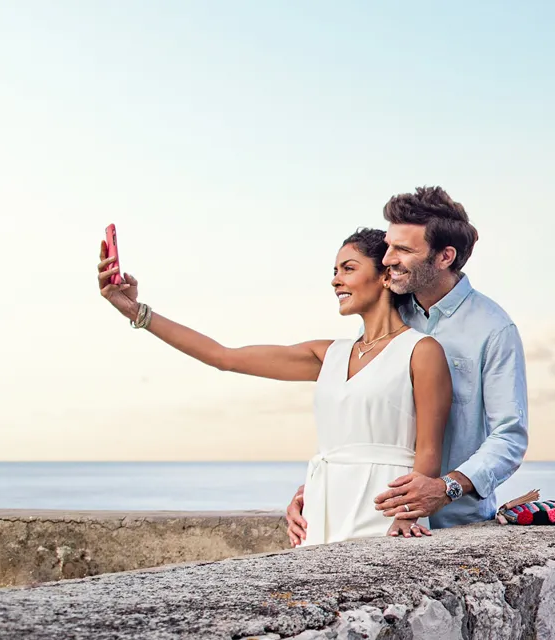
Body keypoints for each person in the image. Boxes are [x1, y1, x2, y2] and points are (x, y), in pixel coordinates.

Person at [95, 229, 451, 546]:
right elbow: (224, 356)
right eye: (334, 271)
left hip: (386, 507)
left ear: (385, 276)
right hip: (322, 507)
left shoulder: (420, 350)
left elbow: (429, 448)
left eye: (348, 268)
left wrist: (408, 514)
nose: (335, 281)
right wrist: (135, 311)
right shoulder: (328, 354)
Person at [285, 186, 530, 544]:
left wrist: (447, 488)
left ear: (444, 256)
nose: (387, 259)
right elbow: (367, 419)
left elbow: (508, 436)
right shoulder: (389, 315)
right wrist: (317, 489)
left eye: (403, 249)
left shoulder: (493, 330)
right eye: (388, 246)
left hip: (453, 528)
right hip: (376, 520)